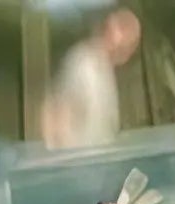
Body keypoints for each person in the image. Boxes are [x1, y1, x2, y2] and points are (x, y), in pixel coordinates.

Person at [42, 3, 141, 151]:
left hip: (98, 167)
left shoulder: (104, 70)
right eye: (126, 30)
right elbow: (53, 113)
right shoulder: (82, 65)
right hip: (79, 166)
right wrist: (67, 162)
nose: (131, 47)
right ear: (111, 30)